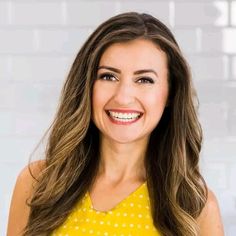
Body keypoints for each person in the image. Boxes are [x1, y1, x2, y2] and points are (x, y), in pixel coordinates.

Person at [7, 12, 224, 236]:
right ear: (87, 86)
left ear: (170, 92)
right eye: (108, 76)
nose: (123, 96)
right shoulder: (38, 183)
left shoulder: (195, 207)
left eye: (144, 80)